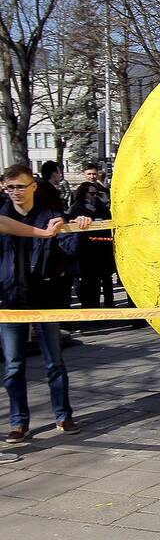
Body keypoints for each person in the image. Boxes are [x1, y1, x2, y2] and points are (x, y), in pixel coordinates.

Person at [0, 165, 92, 444]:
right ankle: (19, 423)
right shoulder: (2, 215)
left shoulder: (50, 215)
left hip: (45, 299)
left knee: (55, 362)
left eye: (21, 186)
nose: (15, 192)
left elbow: (69, 250)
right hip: (10, 300)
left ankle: (63, 415)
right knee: (14, 365)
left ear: (33, 187)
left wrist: (78, 227)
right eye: (10, 187)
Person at [68, 182, 115, 310]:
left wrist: (105, 201)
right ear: (84, 193)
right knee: (90, 282)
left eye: (96, 193)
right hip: (87, 251)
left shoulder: (101, 207)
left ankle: (110, 306)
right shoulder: (77, 208)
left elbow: (110, 218)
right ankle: (91, 308)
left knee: (107, 279)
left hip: (104, 248)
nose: (94, 196)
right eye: (91, 193)